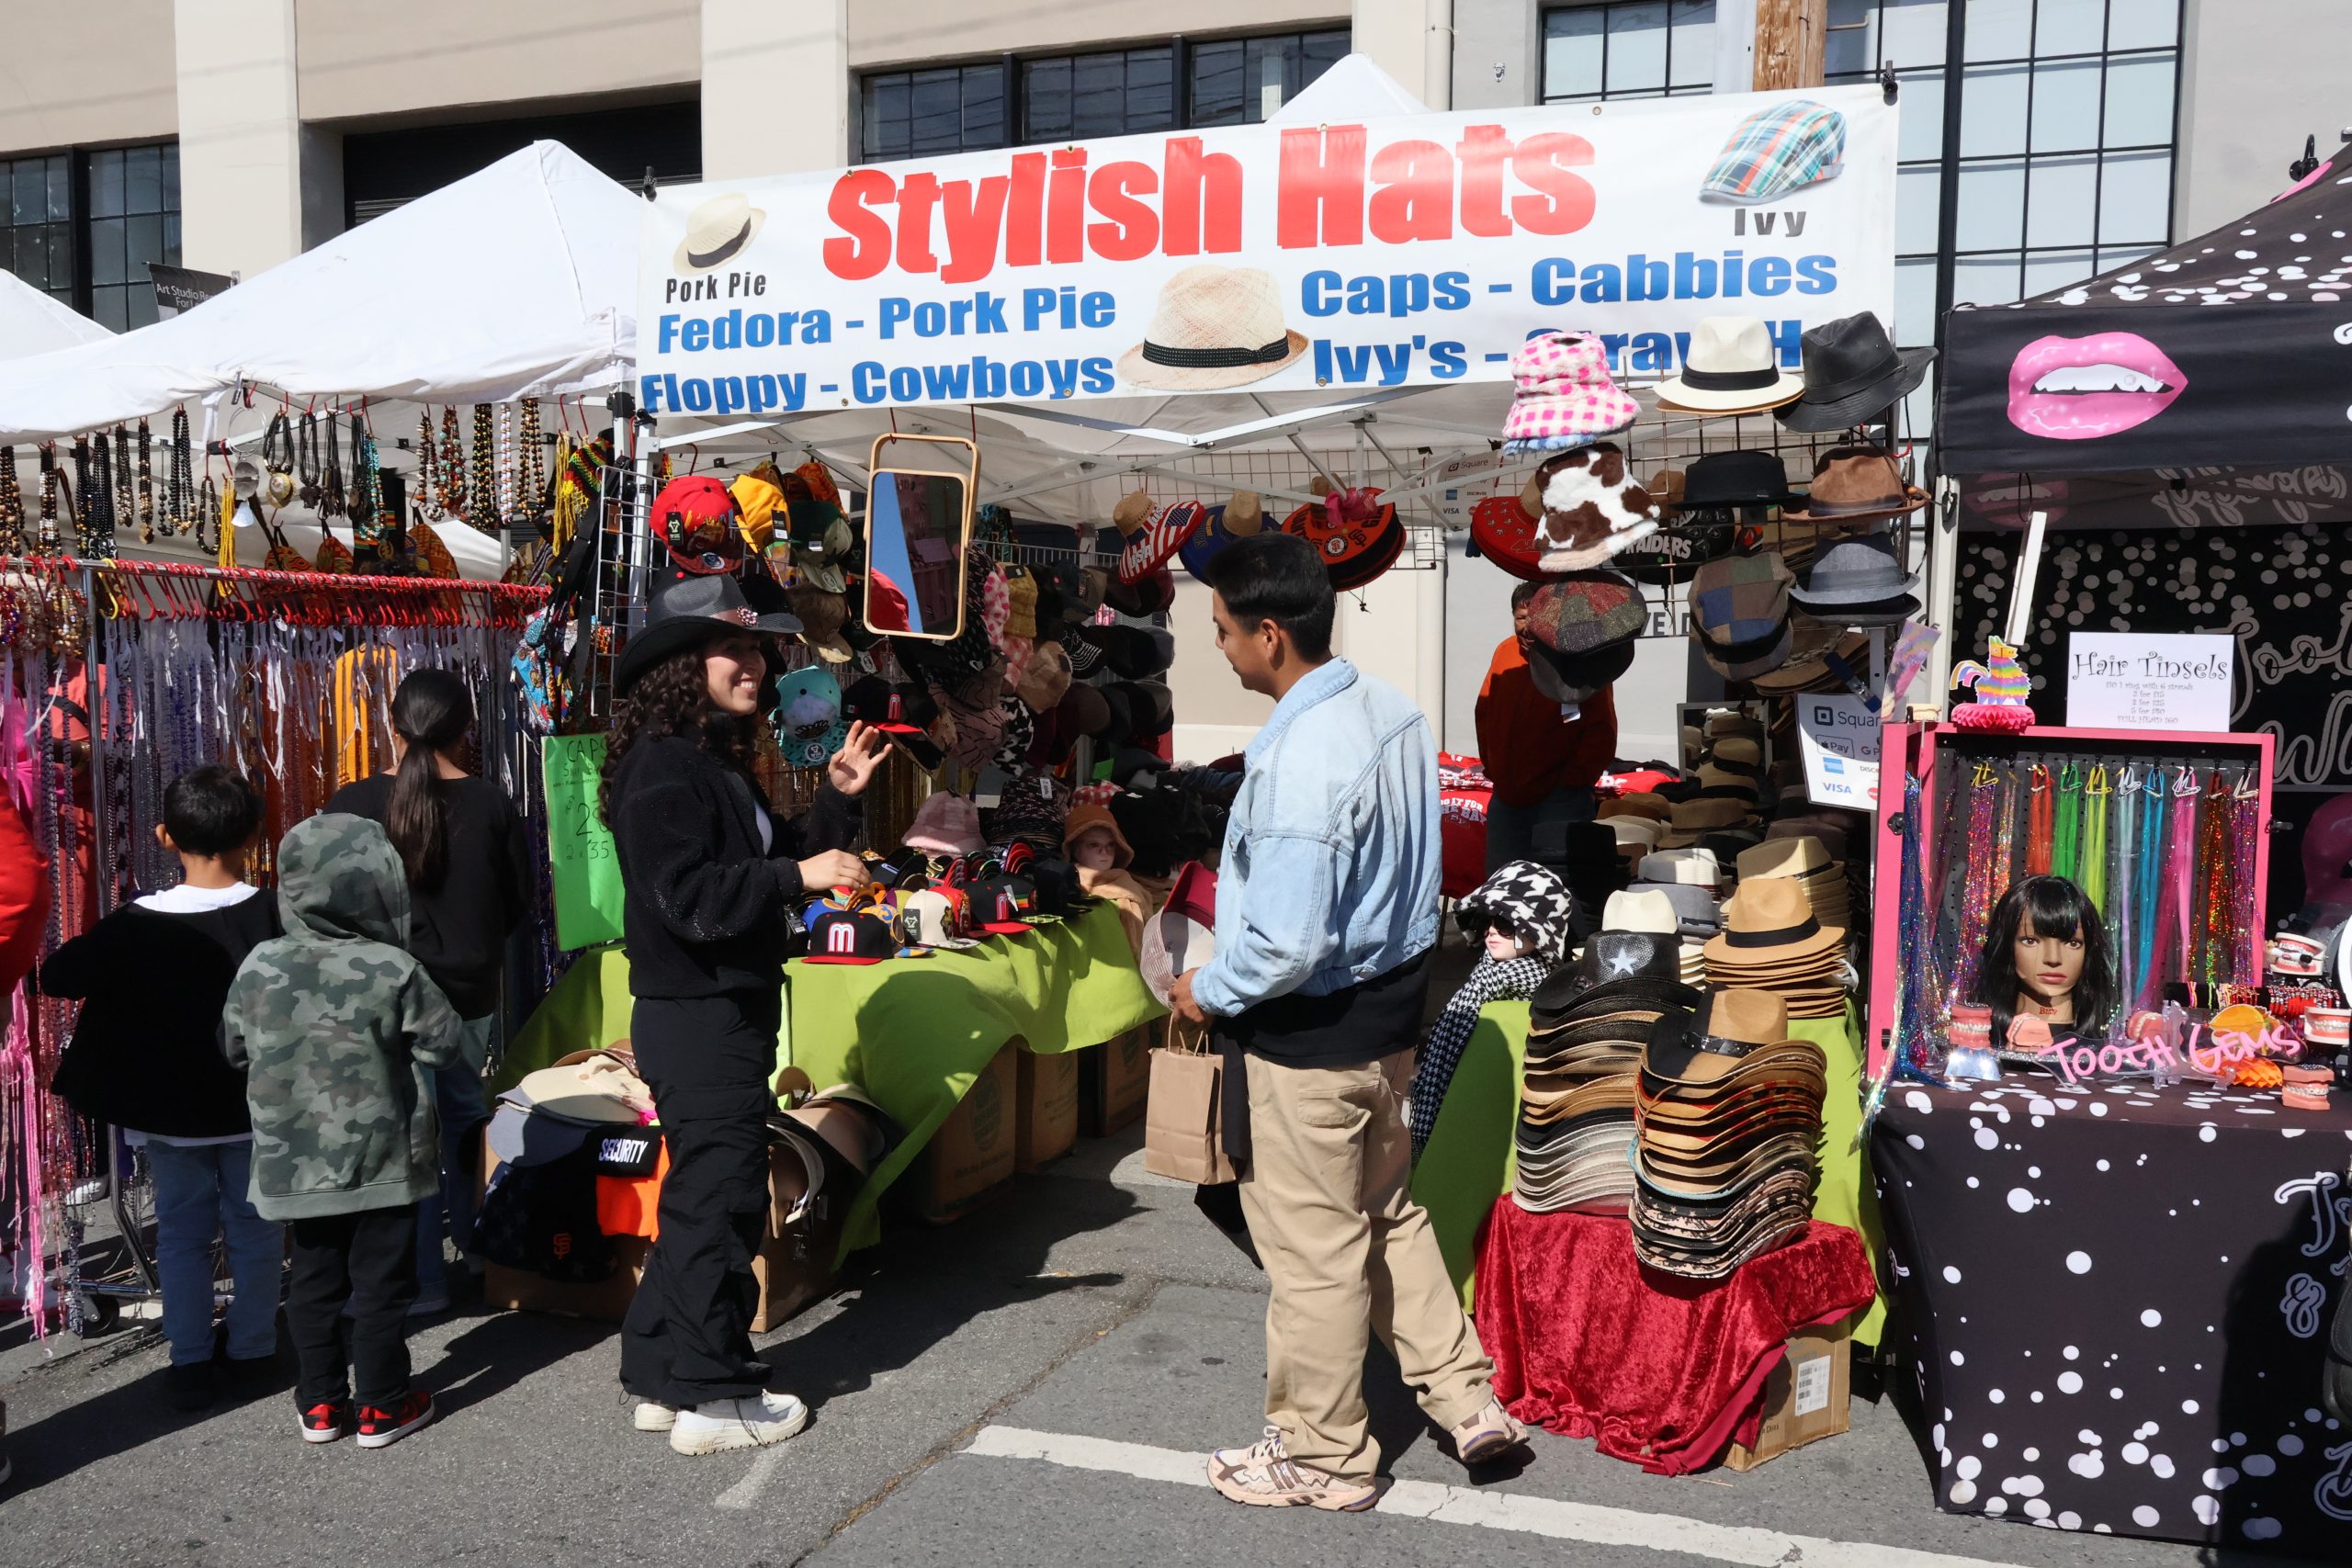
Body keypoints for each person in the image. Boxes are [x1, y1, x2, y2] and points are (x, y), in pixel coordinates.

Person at [1173, 531, 1526, 1513]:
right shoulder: (1394, 714)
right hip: (1387, 1016)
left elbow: (1282, 947)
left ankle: (1325, 1456)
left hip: (1313, 1031)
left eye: (1224, 632)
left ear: (1271, 634)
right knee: (1387, 1213)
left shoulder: (1300, 758)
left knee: (1315, 1252)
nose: (1221, 649)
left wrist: (1209, 989)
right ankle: (1467, 1402)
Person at [601, 571, 887, 1457]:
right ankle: (712, 1393)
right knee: (721, 1200)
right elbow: (690, 896)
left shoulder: (704, 760)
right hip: (700, 1013)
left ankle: (661, 1368)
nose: (755, 662)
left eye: (759, 648)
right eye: (735, 647)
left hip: (716, 1010)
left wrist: (835, 797)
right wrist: (796, 877)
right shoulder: (663, 767)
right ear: (683, 665)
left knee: (702, 1196)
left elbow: (773, 866)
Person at [43, 765, 283, 1411]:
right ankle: (255, 1345)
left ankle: (189, 1360)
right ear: (254, 835)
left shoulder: (135, 922)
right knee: (257, 1227)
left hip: (170, 1111)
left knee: (179, 1230)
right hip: (255, 1104)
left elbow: (60, 974)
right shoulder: (273, 912)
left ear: (162, 835)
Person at [223, 813, 466, 1450]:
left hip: (294, 1159)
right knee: (383, 1286)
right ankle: (383, 1405)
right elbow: (445, 1046)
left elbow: (232, 1047)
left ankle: (322, 1402)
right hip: (383, 1157)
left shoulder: (258, 966)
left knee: (312, 1280)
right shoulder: (393, 967)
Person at [328, 669, 532, 1315]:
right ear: (466, 728)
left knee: (404, 1134)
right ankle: (476, 1245)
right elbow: (517, 904)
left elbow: (325, 909)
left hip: (379, 997)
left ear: (391, 724)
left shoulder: (351, 805)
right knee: (464, 1114)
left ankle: (422, 1281)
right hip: (468, 988)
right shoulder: (492, 802)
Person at [1405, 860, 1573, 1161]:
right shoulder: (1485, 978)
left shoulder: (1545, 998)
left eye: (1506, 924)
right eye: (1486, 921)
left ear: (1536, 932)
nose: (1492, 931)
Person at [1475, 581, 1617, 873]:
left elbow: (1601, 729)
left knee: (1557, 888)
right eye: (1520, 618)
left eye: (1533, 619)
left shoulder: (1580, 658)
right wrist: (1495, 769)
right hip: (1507, 798)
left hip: (1560, 798)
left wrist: (1572, 781)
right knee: (1500, 889)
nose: (1525, 628)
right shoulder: (1504, 652)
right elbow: (1484, 712)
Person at [1974, 874, 2116, 1048]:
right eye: (2031, 941)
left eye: (2072, 943)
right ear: (2007, 946)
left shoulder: (2105, 1048)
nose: (2053, 959)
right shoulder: (1980, 1043)